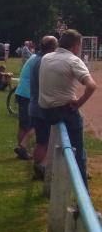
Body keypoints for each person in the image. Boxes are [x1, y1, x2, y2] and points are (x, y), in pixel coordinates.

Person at [39, 29, 97, 185]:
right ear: (76, 46)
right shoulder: (73, 60)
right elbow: (91, 86)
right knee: (79, 153)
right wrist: (78, 103)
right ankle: (83, 197)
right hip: (63, 111)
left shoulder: (46, 58)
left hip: (45, 111)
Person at [29, 35, 58, 180]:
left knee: (42, 140)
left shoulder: (38, 59)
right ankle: (39, 168)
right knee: (42, 141)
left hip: (36, 105)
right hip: (40, 107)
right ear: (52, 47)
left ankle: (39, 168)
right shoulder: (43, 61)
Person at [13, 50, 36, 160]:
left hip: (23, 93)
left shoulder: (34, 57)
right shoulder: (39, 60)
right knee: (32, 124)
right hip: (27, 94)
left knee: (24, 125)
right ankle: (22, 147)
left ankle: (21, 148)